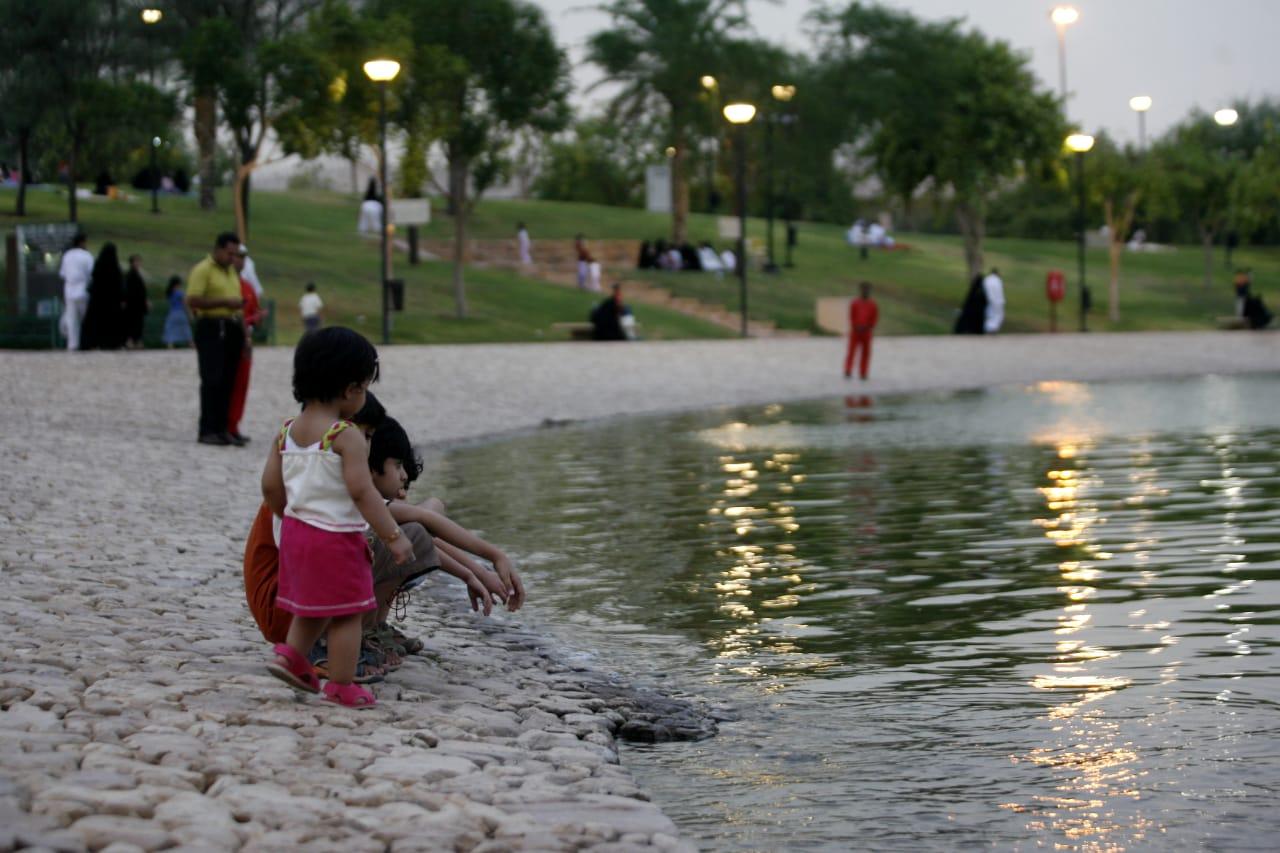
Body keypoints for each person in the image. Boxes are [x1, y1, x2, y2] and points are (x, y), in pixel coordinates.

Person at [261, 327, 413, 708]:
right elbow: (363, 492)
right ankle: (342, 684)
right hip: (335, 539)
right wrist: (392, 535)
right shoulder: (344, 435)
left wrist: (289, 516)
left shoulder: (286, 433)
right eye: (363, 387)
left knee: (314, 604)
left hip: (297, 533)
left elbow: (270, 488)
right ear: (350, 390)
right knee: (348, 613)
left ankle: (291, 656)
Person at [187, 232, 245, 446]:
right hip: (211, 326)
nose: (232, 258)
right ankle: (207, 429)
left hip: (231, 326)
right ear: (218, 249)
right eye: (230, 253)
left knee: (228, 380)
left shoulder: (230, 272)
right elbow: (192, 299)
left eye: (235, 254)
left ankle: (223, 429)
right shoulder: (203, 270)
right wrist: (224, 302)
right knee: (212, 379)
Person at [227, 245, 265, 445]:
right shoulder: (229, 285)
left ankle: (234, 424)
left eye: (242, 257)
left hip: (245, 341)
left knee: (241, 384)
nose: (239, 260)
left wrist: (256, 318)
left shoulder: (247, 287)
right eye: (236, 256)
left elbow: (252, 311)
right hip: (230, 339)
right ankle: (225, 424)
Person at [81, 242, 125, 350]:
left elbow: (94, 281)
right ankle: (110, 343)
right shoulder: (115, 267)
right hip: (112, 302)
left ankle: (92, 343)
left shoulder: (98, 265)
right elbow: (119, 285)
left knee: (95, 322)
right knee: (111, 323)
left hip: (97, 301)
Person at [58, 233, 94, 351]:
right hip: (83, 289)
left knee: (72, 319)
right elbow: (91, 273)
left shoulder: (67, 255)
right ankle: (86, 342)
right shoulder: (87, 256)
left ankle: (72, 344)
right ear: (82, 242)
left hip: (69, 290)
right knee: (85, 318)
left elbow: (63, 274)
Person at [843, 281, 879, 380]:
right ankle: (848, 370)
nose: (865, 291)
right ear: (860, 290)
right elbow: (851, 316)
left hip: (867, 332)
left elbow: (874, 318)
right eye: (863, 289)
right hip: (855, 331)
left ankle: (863, 372)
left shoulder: (873, 305)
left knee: (866, 353)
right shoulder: (855, 303)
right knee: (851, 351)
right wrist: (855, 326)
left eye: (867, 289)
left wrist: (869, 326)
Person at [122, 255, 150, 349]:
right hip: (132, 304)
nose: (138, 263)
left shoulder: (138, 275)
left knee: (138, 324)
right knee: (131, 323)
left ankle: (137, 341)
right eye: (136, 261)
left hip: (139, 304)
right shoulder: (130, 275)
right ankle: (130, 341)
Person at [982, 267, 1005, 334]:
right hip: (998, 301)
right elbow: (1000, 292)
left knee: (989, 315)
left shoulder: (987, 279)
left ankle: (988, 328)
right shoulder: (997, 280)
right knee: (997, 315)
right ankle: (992, 329)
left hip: (988, 300)